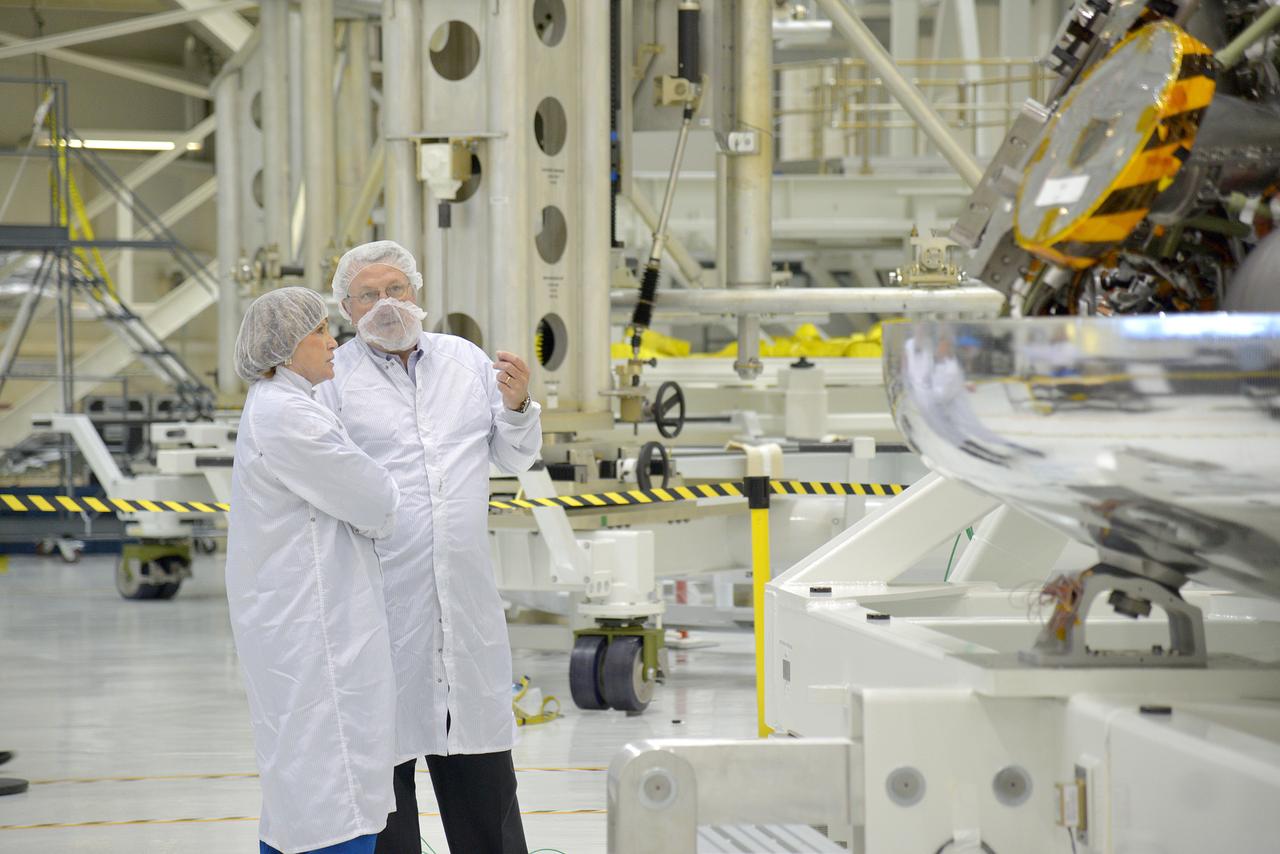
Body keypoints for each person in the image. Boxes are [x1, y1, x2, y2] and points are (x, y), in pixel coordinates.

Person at [316, 241, 542, 854]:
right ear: (345, 306)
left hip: (464, 597)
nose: (386, 304)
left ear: (417, 292)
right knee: (385, 776)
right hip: (380, 599)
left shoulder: (464, 361)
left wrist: (519, 406)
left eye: (397, 289)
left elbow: (514, 453)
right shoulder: (334, 378)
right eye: (369, 294)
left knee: (480, 768)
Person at [226, 287, 402, 854]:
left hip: (302, 618)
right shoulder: (289, 416)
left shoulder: (289, 403)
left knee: (305, 779)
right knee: (332, 780)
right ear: (283, 348)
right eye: (319, 333)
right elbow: (376, 501)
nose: (334, 342)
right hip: (315, 627)